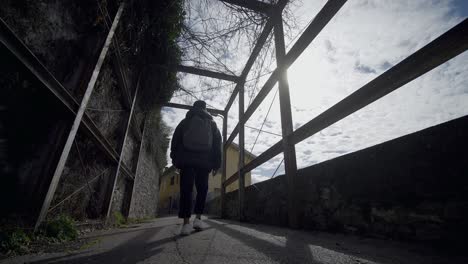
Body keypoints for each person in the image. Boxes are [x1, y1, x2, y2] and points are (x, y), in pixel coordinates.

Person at [170, 100, 221, 236]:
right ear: (205, 109)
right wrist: (217, 164)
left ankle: (186, 224)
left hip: (186, 161)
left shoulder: (184, 122)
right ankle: (198, 219)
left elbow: (175, 140)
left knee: (186, 189)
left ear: (193, 108)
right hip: (204, 162)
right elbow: (217, 145)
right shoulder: (212, 124)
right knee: (202, 188)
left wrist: (174, 159)